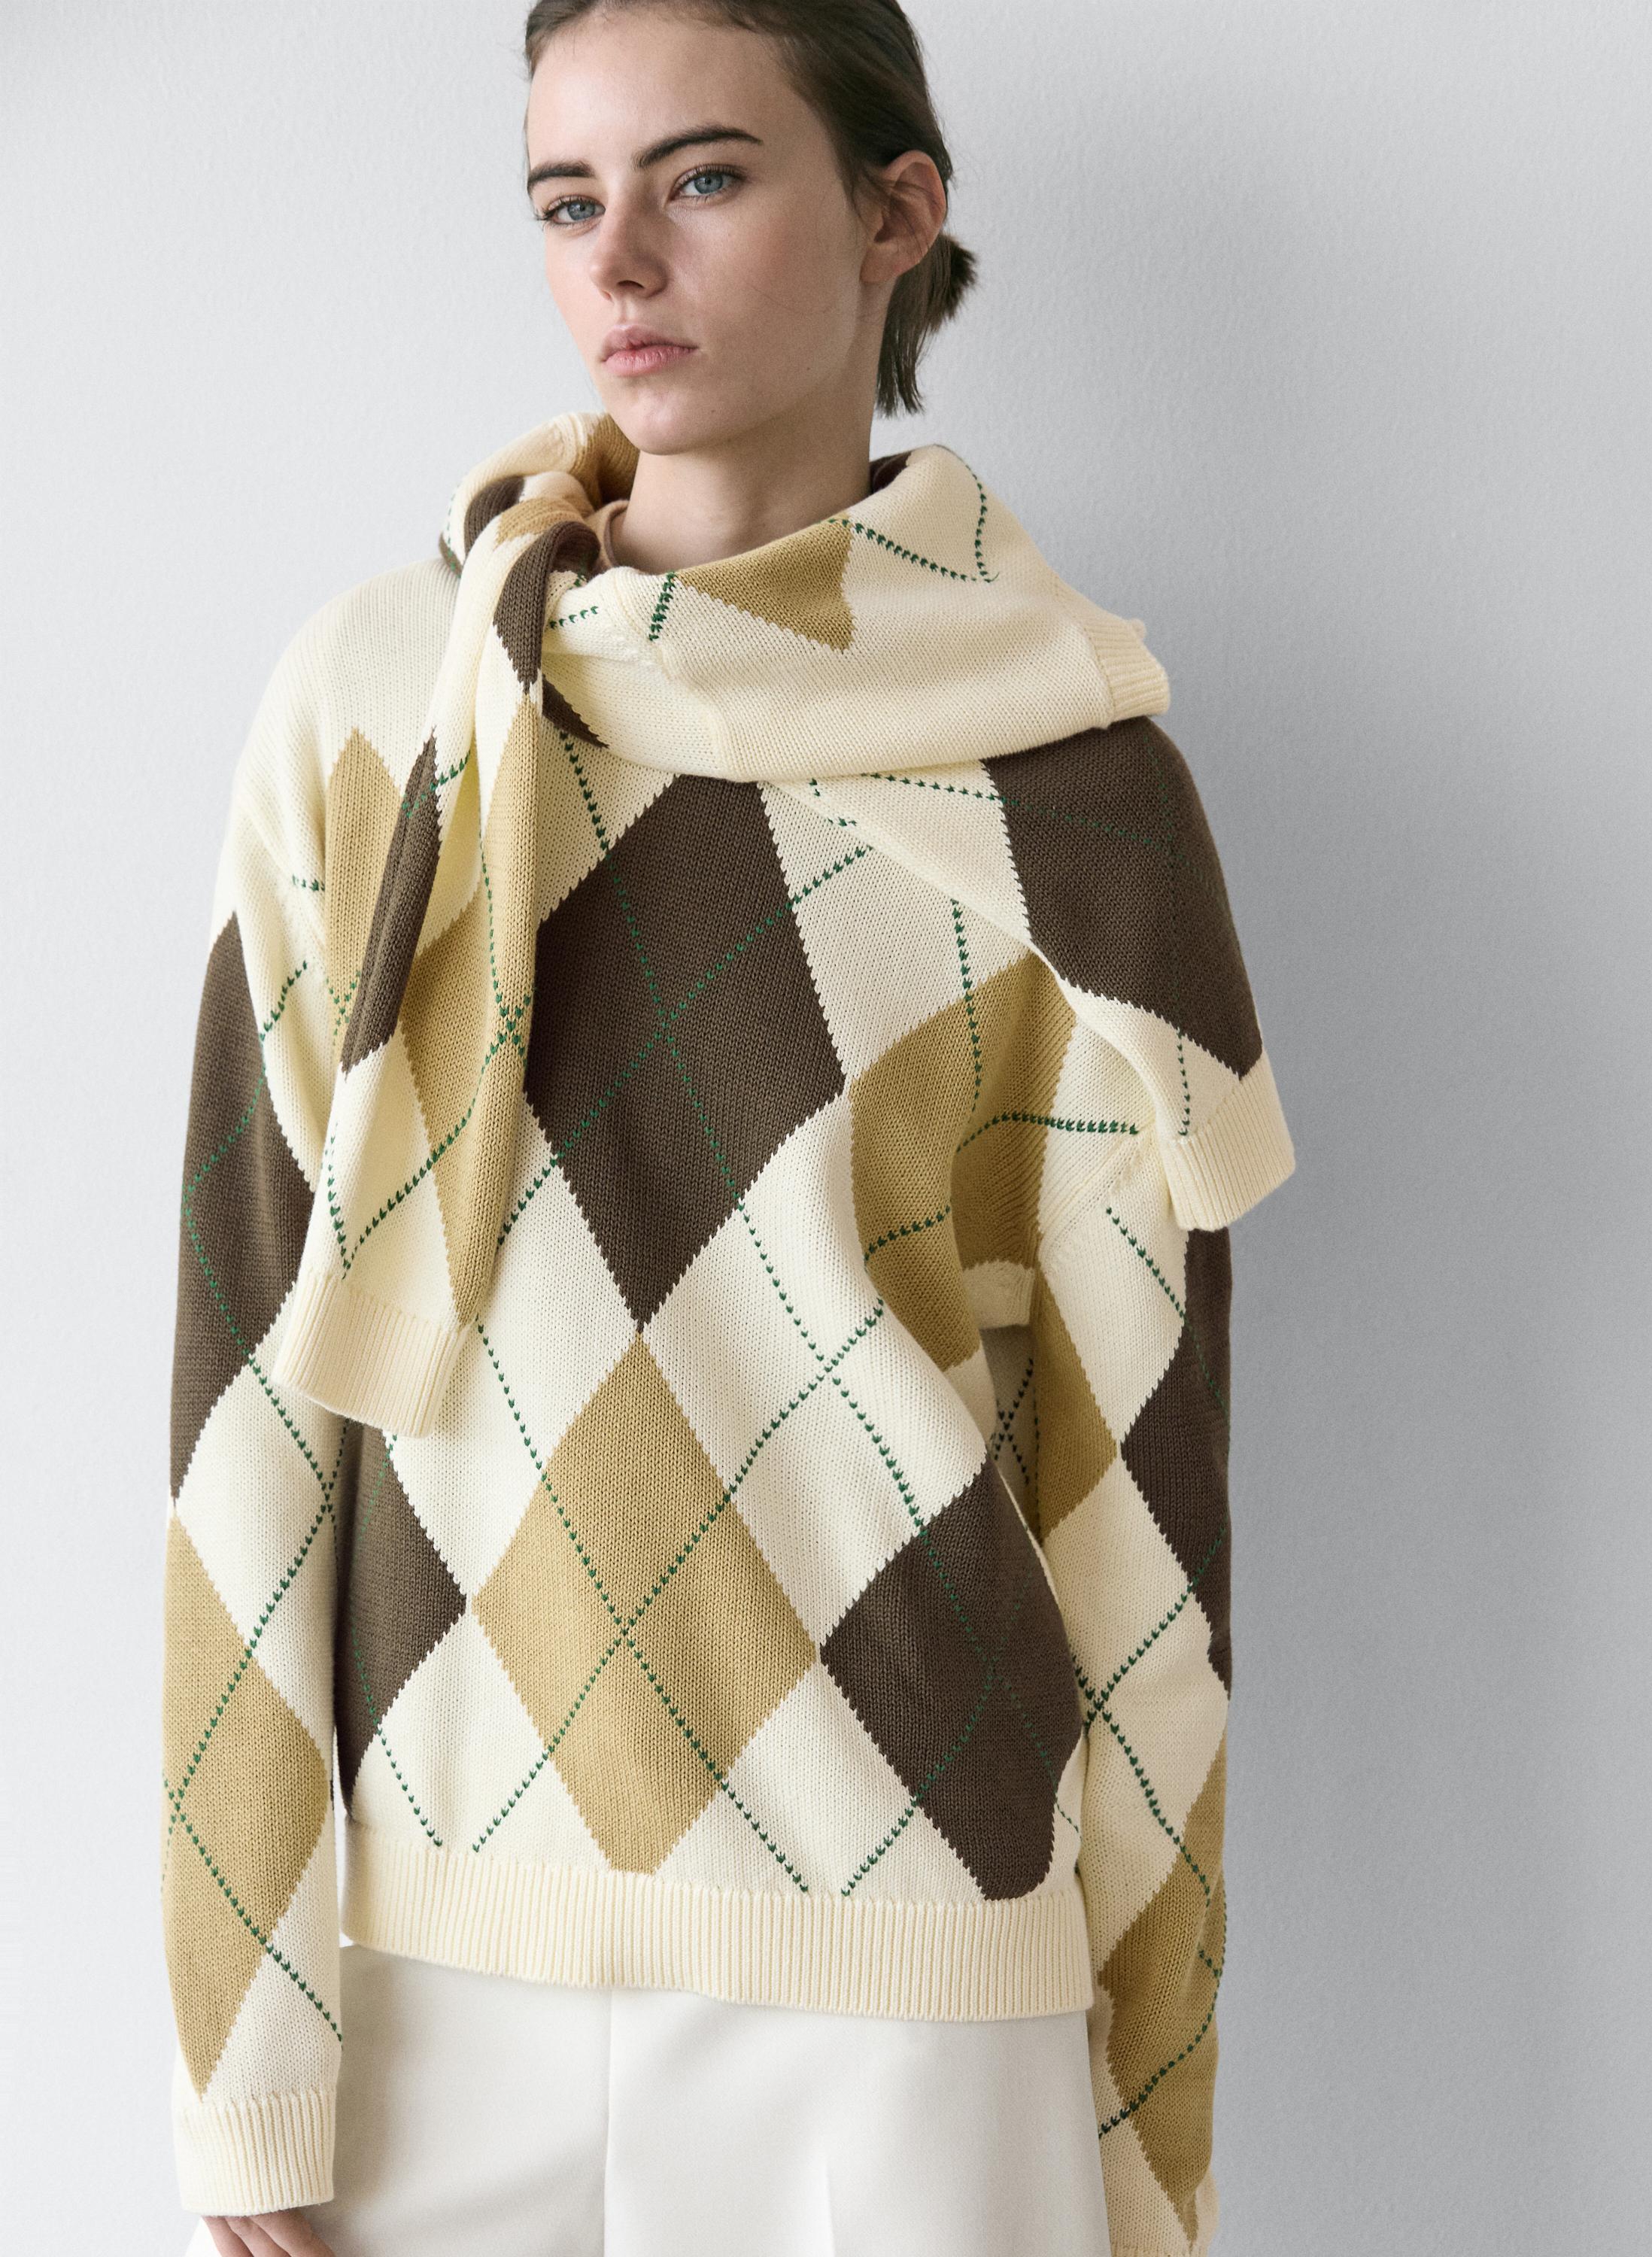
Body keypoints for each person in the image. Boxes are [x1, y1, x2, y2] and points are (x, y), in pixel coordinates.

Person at [161, 3, 1297, 2253]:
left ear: (896, 211)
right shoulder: (391, 707)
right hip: (428, 1971)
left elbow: (1142, 1521)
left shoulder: (1076, 785)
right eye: (564, 200)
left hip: (915, 1990)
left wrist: (1145, 2150)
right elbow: (248, 1382)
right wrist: (242, 2048)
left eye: (700, 177)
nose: (617, 262)